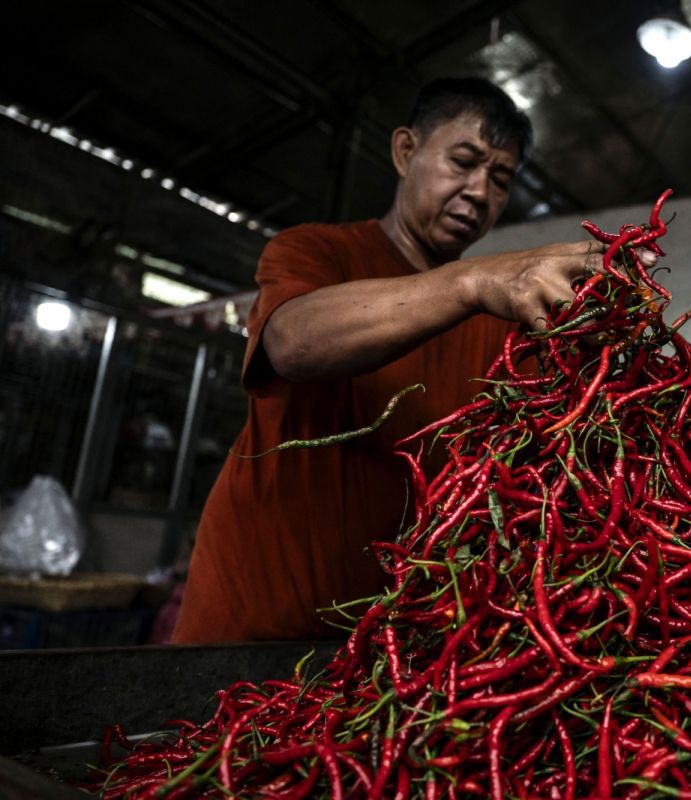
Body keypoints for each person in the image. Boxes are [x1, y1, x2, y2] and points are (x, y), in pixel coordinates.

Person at [172, 77, 656, 642]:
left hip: (388, 653)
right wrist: (474, 280)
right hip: (249, 624)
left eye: (499, 179)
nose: (478, 191)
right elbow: (293, 342)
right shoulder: (317, 251)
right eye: (464, 161)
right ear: (406, 151)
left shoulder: (501, 322)